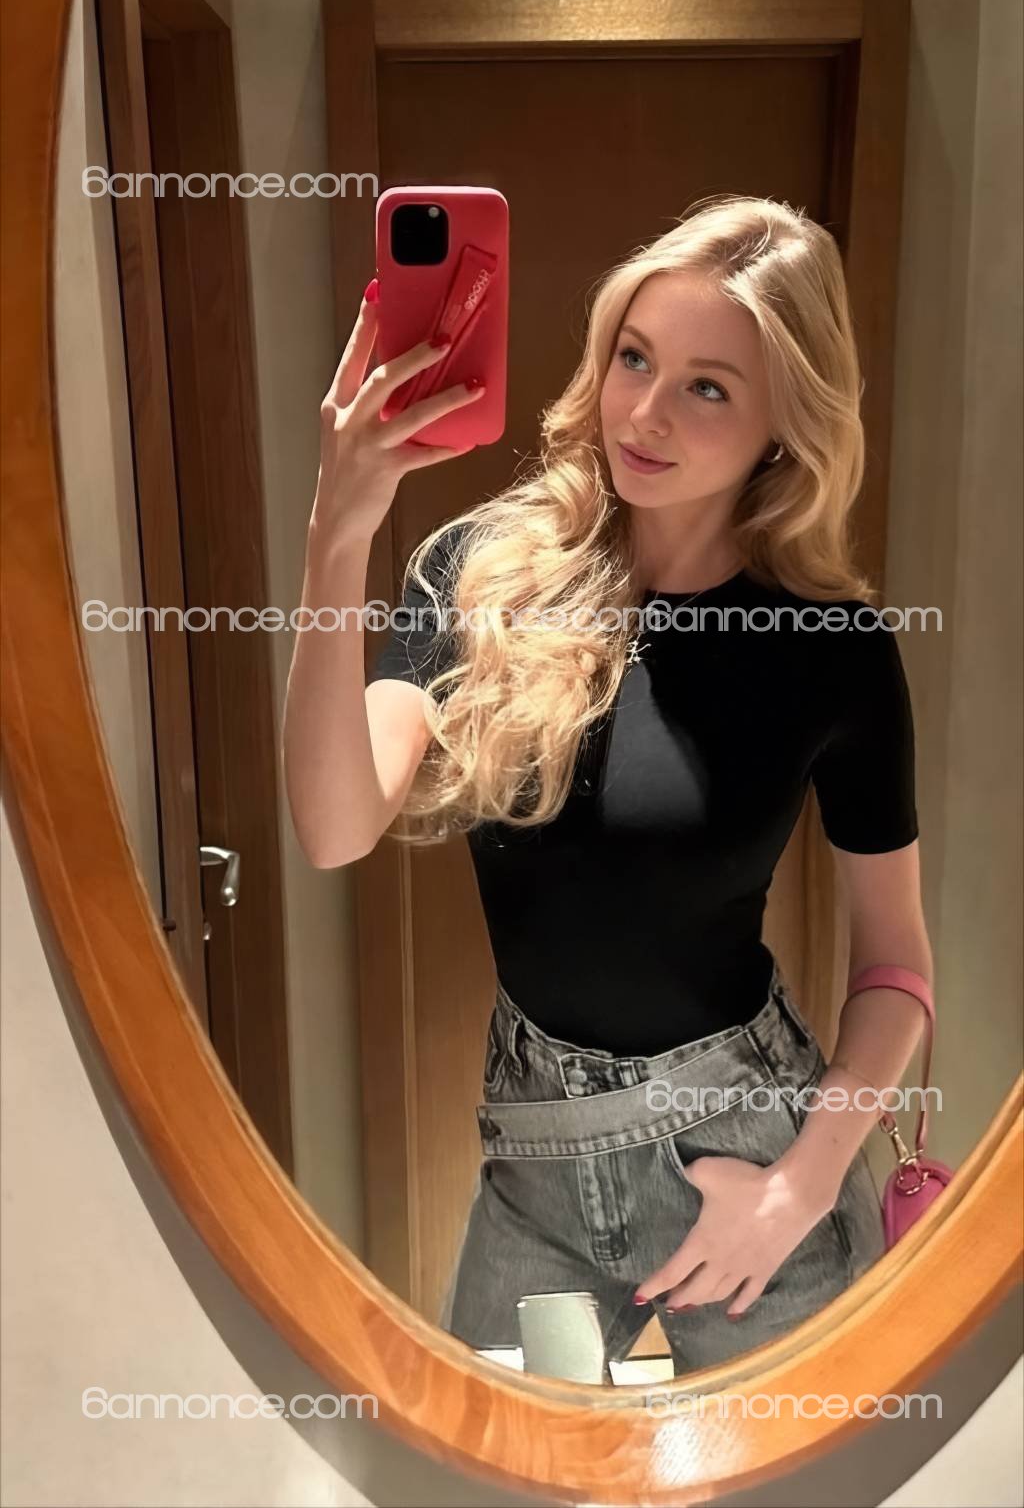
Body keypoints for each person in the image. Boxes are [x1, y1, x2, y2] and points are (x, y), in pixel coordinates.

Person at [283, 193, 933, 1375]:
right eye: (634, 357)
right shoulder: (481, 575)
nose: (643, 411)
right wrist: (339, 529)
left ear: (784, 422)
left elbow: (896, 967)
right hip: (535, 1155)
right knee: (490, 1461)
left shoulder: (829, 647)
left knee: (794, 1465)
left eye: (707, 387)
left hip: (745, 1150)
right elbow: (333, 825)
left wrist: (801, 1185)